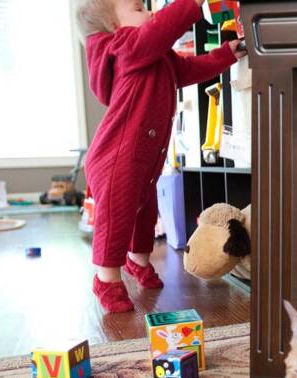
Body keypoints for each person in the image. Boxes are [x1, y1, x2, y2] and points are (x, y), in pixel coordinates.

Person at [76, 0, 246, 312]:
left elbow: (188, 70)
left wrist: (225, 55)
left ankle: (137, 261)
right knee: (116, 219)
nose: (151, 14)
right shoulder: (125, 48)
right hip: (116, 156)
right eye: (139, 9)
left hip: (142, 156)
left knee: (145, 211)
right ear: (115, 27)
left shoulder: (154, 57)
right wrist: (191, 5)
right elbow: (156, 33)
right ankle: (106, 278)